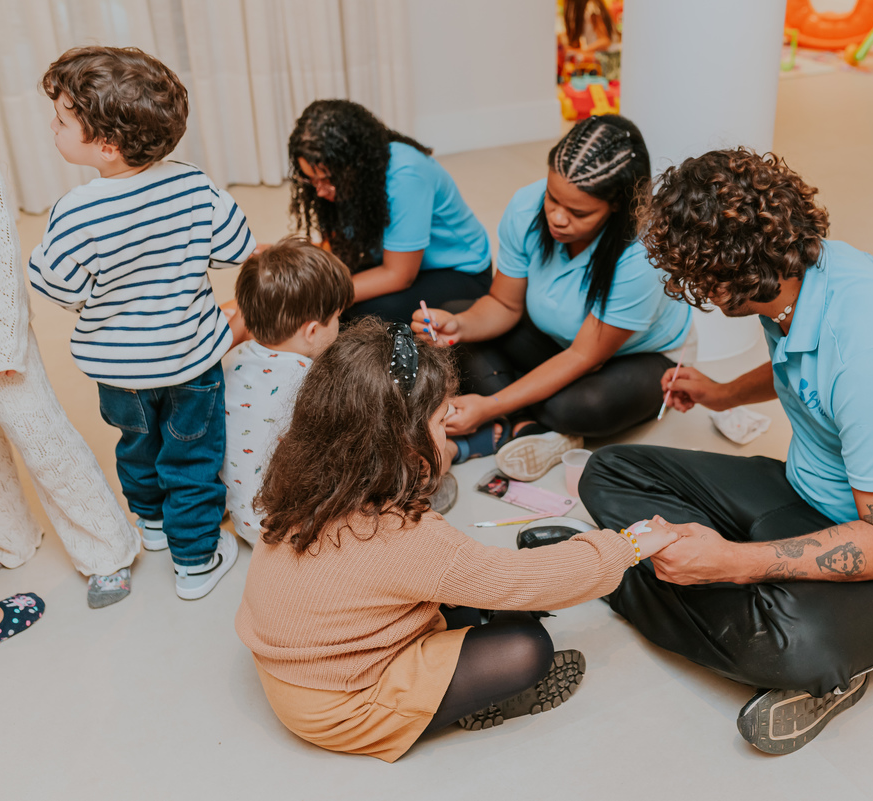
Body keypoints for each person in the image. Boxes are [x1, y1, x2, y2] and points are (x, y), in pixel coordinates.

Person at [579, 149, 873, 755]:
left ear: (726, 274)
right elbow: (804, 366)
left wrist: (731, 564)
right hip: (810, 494)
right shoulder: (802, 276)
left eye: (693, 279)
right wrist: (722, 394)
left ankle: (616, 575)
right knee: (611, 469)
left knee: (786, 646)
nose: (692, 291)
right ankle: (683, 581)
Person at [235, 319, 675, 761]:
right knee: (527, 648)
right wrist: (627, 545)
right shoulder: (402, 538)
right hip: (340, 704)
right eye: (443, 422)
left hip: (295, 666)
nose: (449, 434)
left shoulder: (312, 474)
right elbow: (520, 580)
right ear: (405, 440)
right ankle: (459, 703)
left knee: (474, 600)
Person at [28, 47, 254, 601]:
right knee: (192, 456)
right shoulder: (195, 187)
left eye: (61, 119)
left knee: (136, 444)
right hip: (193, 359)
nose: (51, 126)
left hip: (118, 370)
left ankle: (154, 526)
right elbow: (238, 249)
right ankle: (197, 556)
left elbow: (56, 287)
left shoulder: (76, 211)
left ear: (105, 145)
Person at [414, 115, 693, 481]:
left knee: (579, 406)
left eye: (579, 213)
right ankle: (526, 424)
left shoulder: (642, 255)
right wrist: (460, 325)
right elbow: (503, 305)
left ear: (618, 207)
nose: (557, 218)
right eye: (552, 198)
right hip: (558, 340)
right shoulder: (527, 207)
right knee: (455, 317)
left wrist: (489, 405)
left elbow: (583, 357)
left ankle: (510, 418)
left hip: (637, 359)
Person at [0, 167, 140, 609]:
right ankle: (12, 536)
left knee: (41, 437)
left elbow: (3, 255)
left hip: (3, 345)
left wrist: (7, 342)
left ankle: (107, 549)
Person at [287, 99, 492, 326]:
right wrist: (292, 262)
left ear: (357, 162)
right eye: (311, 180)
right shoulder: (349, 175)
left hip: (460, 272)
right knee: (332, 291)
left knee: (361, 315)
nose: (320, 191)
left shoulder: (407, 176)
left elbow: (399, 276)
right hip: (394, 259)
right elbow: (338, 244)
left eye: (326, 180)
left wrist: (315, 299)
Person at [221, 237, 353, 546]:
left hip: (246, 521)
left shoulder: (231, 359)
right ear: (311, 331)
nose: (339, 323)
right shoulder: (313, 380)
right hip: (293, 532)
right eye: (336, 317)